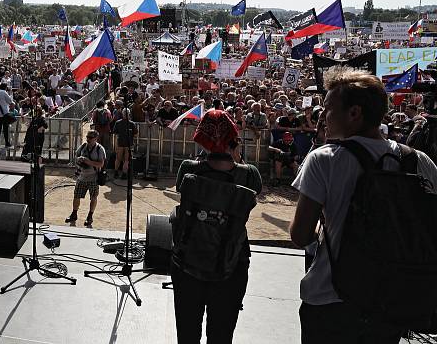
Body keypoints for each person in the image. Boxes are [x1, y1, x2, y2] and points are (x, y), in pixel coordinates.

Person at [289, 67, 437, 344]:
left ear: (354, 113)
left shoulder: (324, 160)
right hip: (393, 299)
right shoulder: (418, 161)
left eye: (329, 108)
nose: (323, 116)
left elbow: (300, 236)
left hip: (330, 299)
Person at [170, 109, 262, 344]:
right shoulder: (250, 175)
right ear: (233, 139)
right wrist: (235, 155)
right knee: (221, 334)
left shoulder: (188, 169)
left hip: (188, 260)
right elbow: (253, 188)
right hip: (232, 263)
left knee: (187, 331)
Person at [65, 130, 106, 227]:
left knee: (93, 197)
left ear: (96, 139)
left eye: (90, 138)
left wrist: (88, 162)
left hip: (94, 178)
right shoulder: (83, 146)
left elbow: (101, 164)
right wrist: (79, 160)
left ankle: (90, 216)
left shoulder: (100, 149)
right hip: (82, 176)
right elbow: (76, 156)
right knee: (76, 196)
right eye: (87, 137)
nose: (88, 139)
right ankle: (74, 214)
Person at [112, 108, 138, 179]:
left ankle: (116, 173)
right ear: (129, 114)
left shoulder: (118, 122)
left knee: (118, 159)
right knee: (126, 160)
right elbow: (135, 134)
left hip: (120, 143)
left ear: (122, 114)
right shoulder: (132, 123)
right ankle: (124, 174)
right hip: (128, 144)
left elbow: (115, 133)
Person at [0, 82, 14, 148]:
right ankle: (7, 143)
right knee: (5, 129)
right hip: (4, 113)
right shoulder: (4, 92)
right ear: (5, 87)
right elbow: (10, 101)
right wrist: (10, 93)